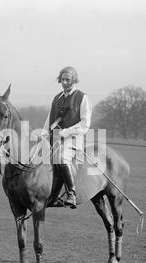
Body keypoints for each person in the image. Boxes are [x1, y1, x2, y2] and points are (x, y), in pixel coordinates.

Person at [43, 66, 93, 209]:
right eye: (62, 79)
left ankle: (71, 193)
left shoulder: (82, 98)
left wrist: (66, 132)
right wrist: (43, 133)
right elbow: (50, 119)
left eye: (68, 79)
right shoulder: (57, 98)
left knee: (62, 157)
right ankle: (53, 196)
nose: (64, 82)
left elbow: (85, 124)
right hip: (55, 139)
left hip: (73, 139)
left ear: (74, 80)